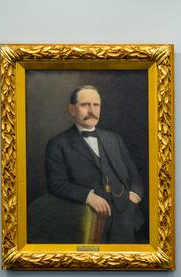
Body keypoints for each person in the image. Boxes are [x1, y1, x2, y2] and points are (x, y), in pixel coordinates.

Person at [44, 85, 146, 244]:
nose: (92, 110)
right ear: (72, 109)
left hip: (128, 221)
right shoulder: (58, 144)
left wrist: (133, 199)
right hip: (90, 223)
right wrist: (87, 196)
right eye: (85, 105)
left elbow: (135, 177)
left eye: (96, 105)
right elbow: (56, 184)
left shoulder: (114, 139)